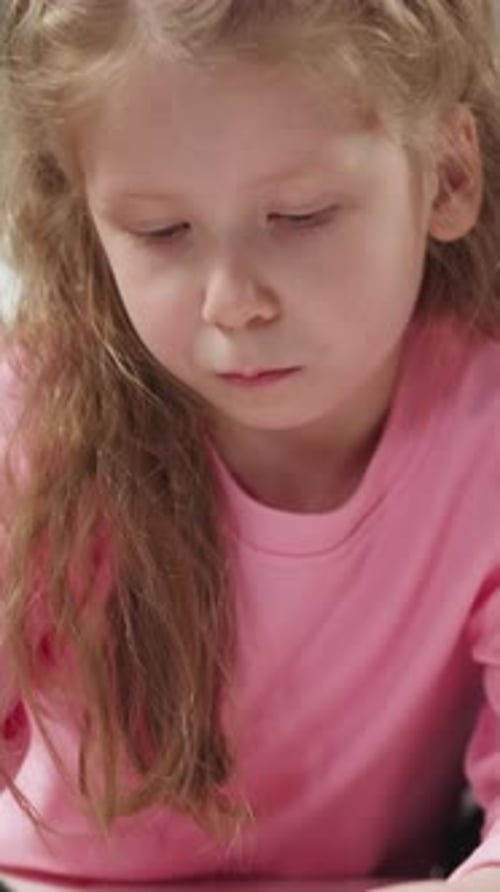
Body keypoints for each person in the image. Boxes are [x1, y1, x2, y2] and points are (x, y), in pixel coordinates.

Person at [1, 1, 500, 889]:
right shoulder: (27, 419)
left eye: (301, 216)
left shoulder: (482, 431)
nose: (232, 301)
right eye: (161, 233)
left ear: (449, 174)